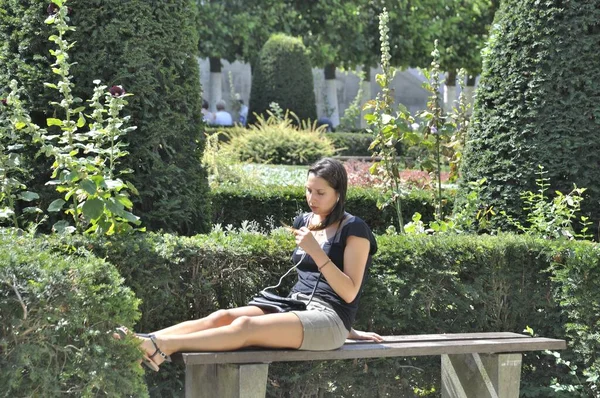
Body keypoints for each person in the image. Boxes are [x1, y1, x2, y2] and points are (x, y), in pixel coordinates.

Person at [118, 158, 381, 371]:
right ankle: (145, 340)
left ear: (338, 194)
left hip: (328, 318)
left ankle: (161, 345)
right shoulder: (306, 220)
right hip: (296, 306)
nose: (312, 198)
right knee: (223, 317)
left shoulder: (354, 229)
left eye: (321, 192)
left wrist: (317, 253)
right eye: (308, 190)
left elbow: (348, 292)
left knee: (245, 327)